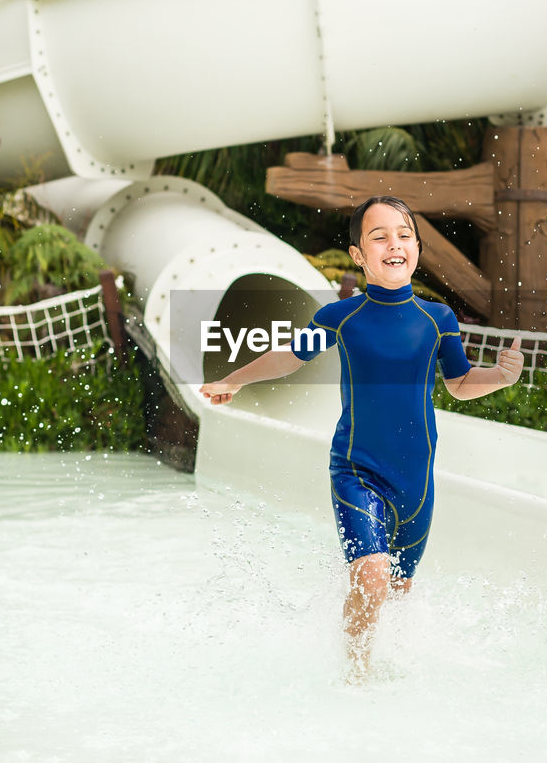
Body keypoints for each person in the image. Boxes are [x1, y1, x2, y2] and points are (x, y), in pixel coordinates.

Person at [198, 195, 523, 678]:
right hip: (358, 469)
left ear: (416, 246)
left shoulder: (439, 319)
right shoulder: (342, 317)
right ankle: (355, 678)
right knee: (372, 578)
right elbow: (291, 357)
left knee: (398, 594)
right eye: (380, 236)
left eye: (404, 234)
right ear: (358, 255)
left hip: (417, 482)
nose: (395, 244)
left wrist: (499, 376)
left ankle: (387, 673)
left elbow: (458, 383)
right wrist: (235, 378)